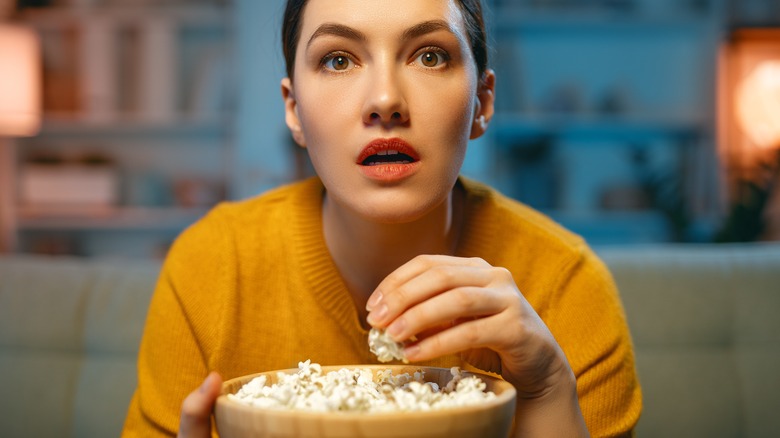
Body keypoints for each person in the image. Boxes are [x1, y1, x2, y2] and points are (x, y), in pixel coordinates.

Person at [122, 0, 642, 436]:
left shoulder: (567, 283)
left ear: (482, 102)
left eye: (430, 55)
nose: (386, 101)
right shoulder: (210, 265)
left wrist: (548, 385)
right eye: (339, 60)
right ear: (294, 110)